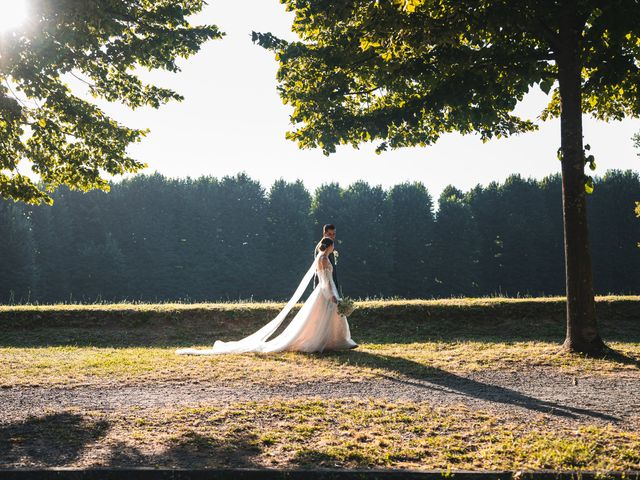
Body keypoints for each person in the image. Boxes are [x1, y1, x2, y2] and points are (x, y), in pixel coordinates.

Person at [176, 237, 357, 355]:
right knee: (323, 319)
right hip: (326, 293)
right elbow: (326, 280)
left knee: (320, 320)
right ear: (329, 246)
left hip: (324, 292)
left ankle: (333, 341)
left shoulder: (320, 258)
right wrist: (333, 296)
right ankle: (328, 342)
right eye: (333, 245)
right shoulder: (324, 259)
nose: (334, 248)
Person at [313, 224, 339, 293]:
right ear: (324, 233)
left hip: (331, 281)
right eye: (329, 234)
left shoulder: (329, 245)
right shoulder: (321, 248)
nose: (332, 236)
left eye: (334, 234)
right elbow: (323, 270)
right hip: (323, 284)